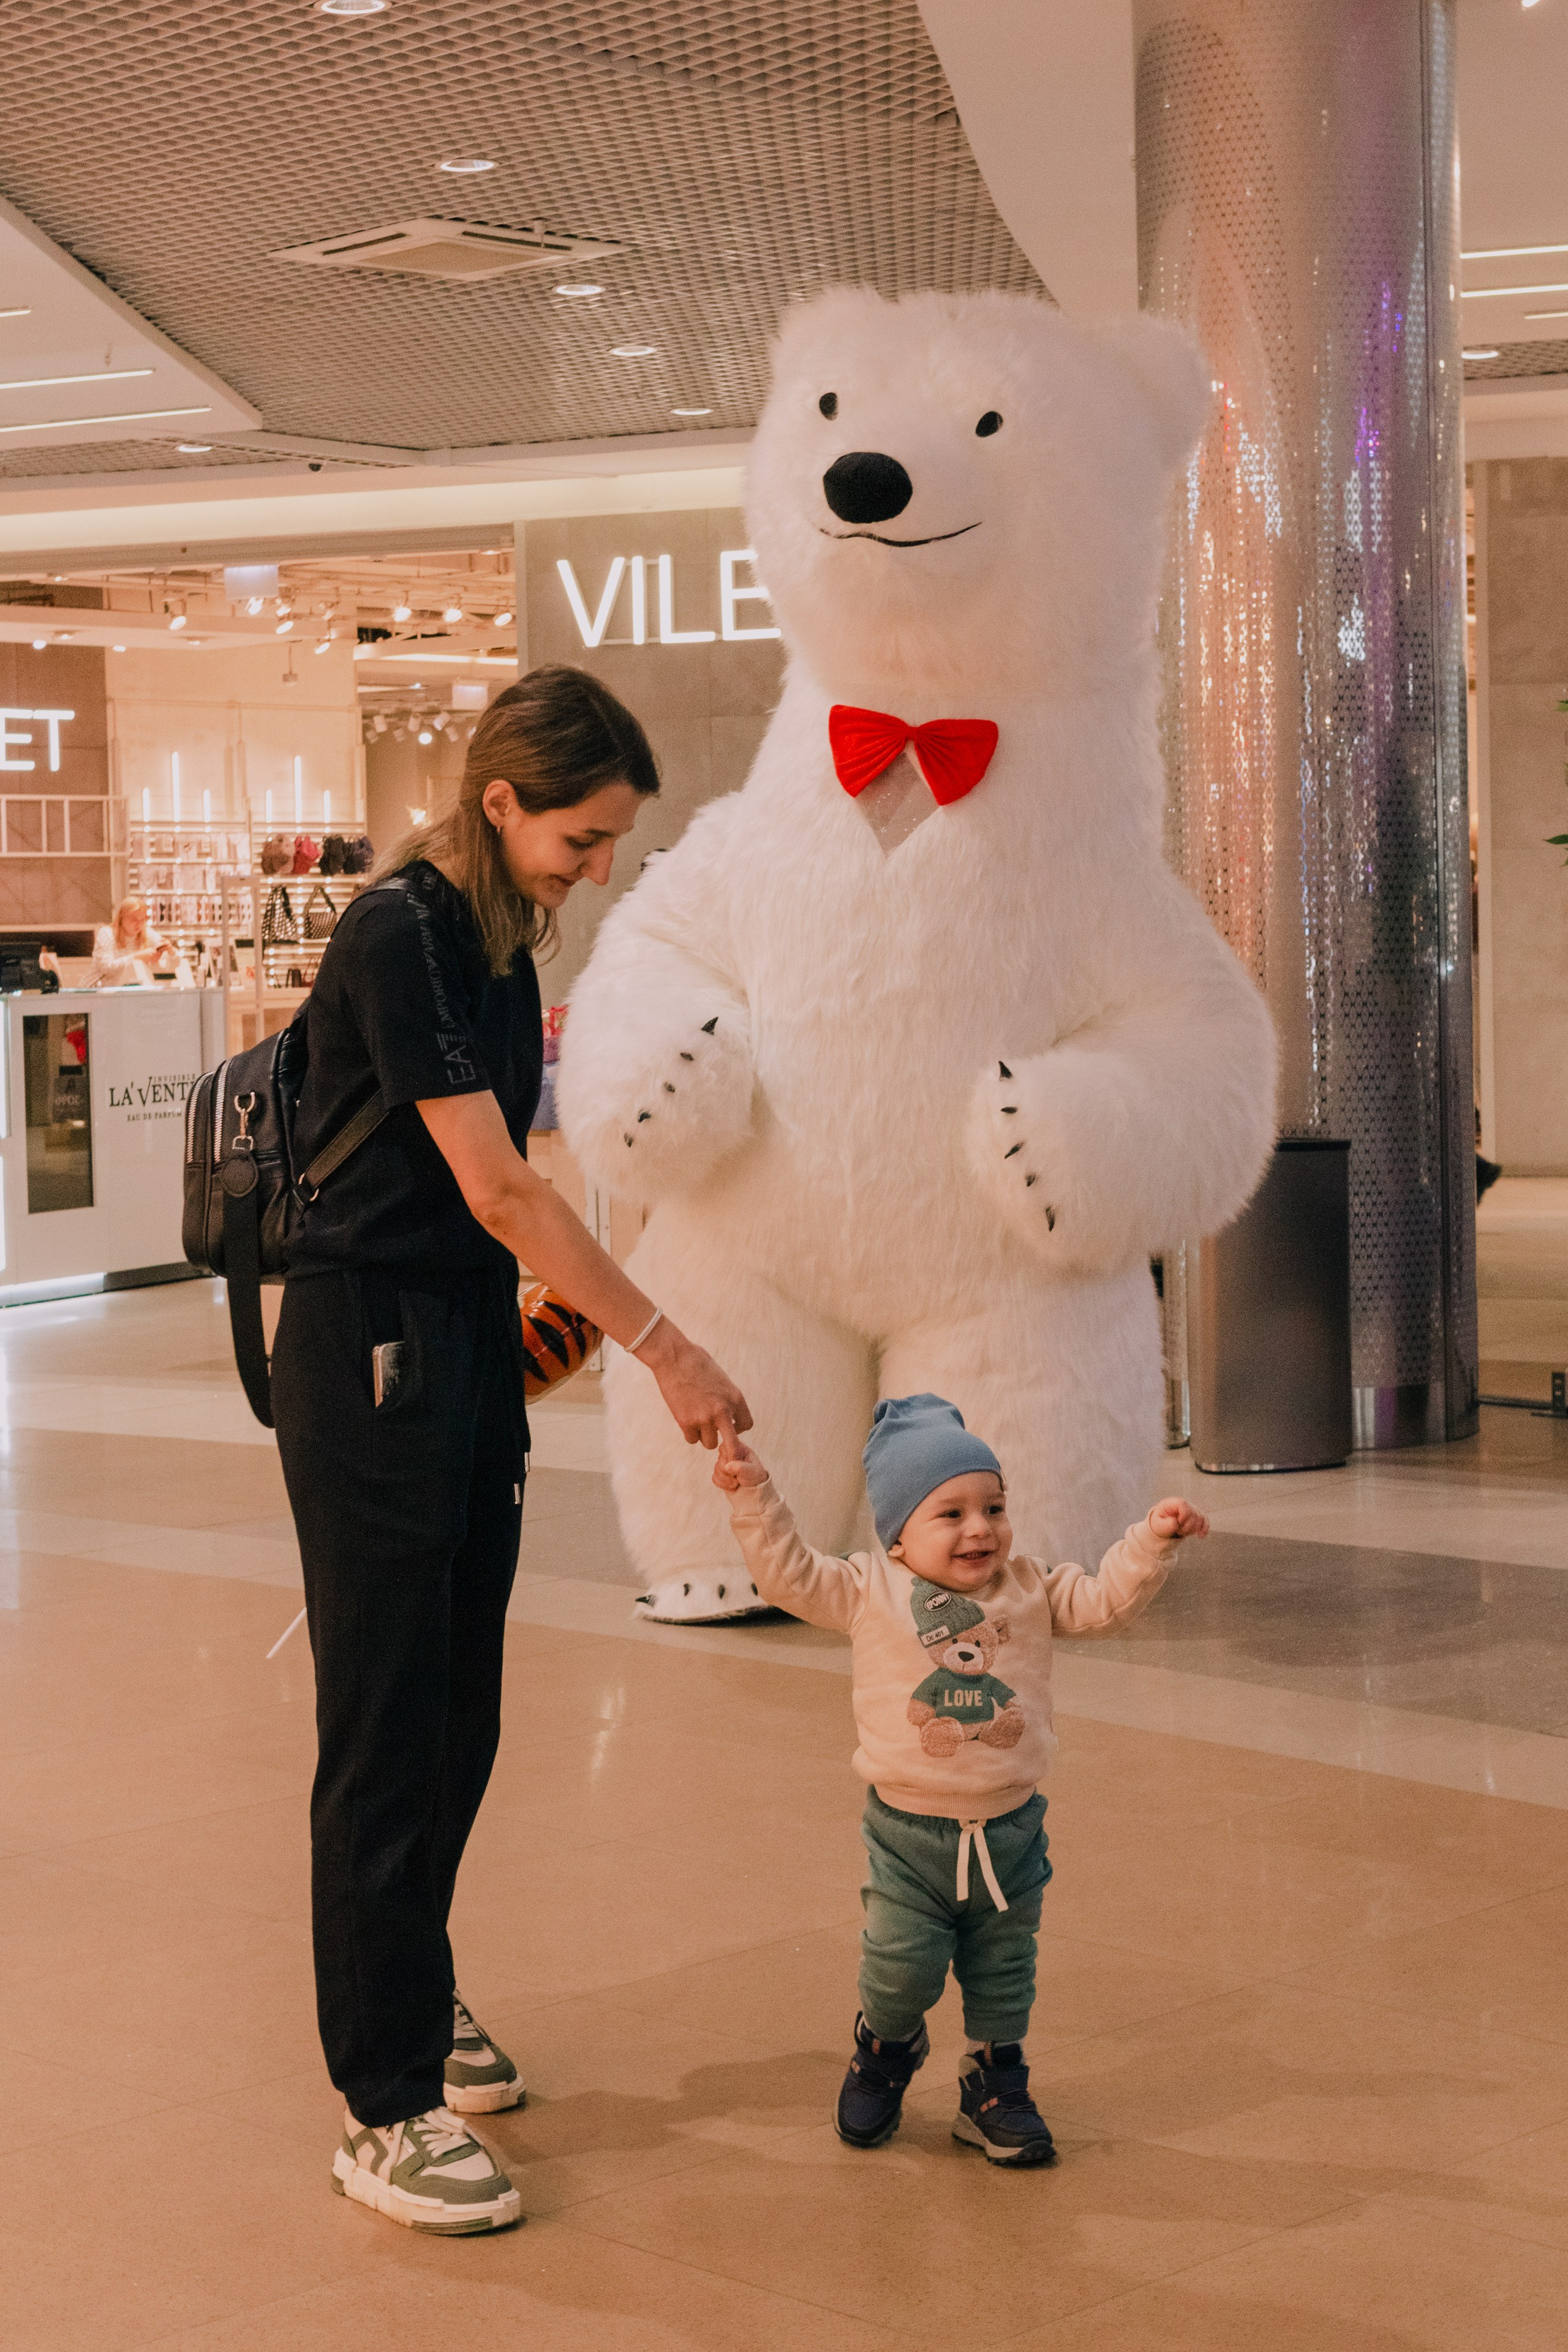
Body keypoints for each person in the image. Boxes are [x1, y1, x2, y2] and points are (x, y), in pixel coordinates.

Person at [271, 666, 752, 2237]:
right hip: (374, 1349)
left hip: (457, 1341)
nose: (597, 867)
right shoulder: (398, 930)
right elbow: (498, 1190)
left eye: (612, 842)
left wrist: (540, 1326)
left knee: (457, 1711)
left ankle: (418, 1983)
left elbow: (516, 1187)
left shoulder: (494, 934)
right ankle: (382, 2100)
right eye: (582, 837)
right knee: (389, 1723)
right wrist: (661, 1343)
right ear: (501, 803)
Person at [713, 1393, 1207, 2167]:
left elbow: (1105, 1602)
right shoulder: (868, 1588)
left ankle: (993, 2083)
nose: (980, 1528)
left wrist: (1151, 1541)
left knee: (1005, 1970)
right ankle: (886, 2045)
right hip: (907, 1834)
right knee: (898, 1967)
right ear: (899, 1536)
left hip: (1011, 1828)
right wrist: (753, 1496)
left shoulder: (1031, 1587)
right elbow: (789, 1575)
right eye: (950, 1513)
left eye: (994, 1506)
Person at [89, 895, 176, 986]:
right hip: (96, 990)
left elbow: (172, 960)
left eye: (142, 919)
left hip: (126, 990)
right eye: (134, 920)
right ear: (122, 918)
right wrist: (136, 957)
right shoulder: (107, 933)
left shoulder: (146, 932)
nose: (139, 924)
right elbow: (106, 968)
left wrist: (171, 951)